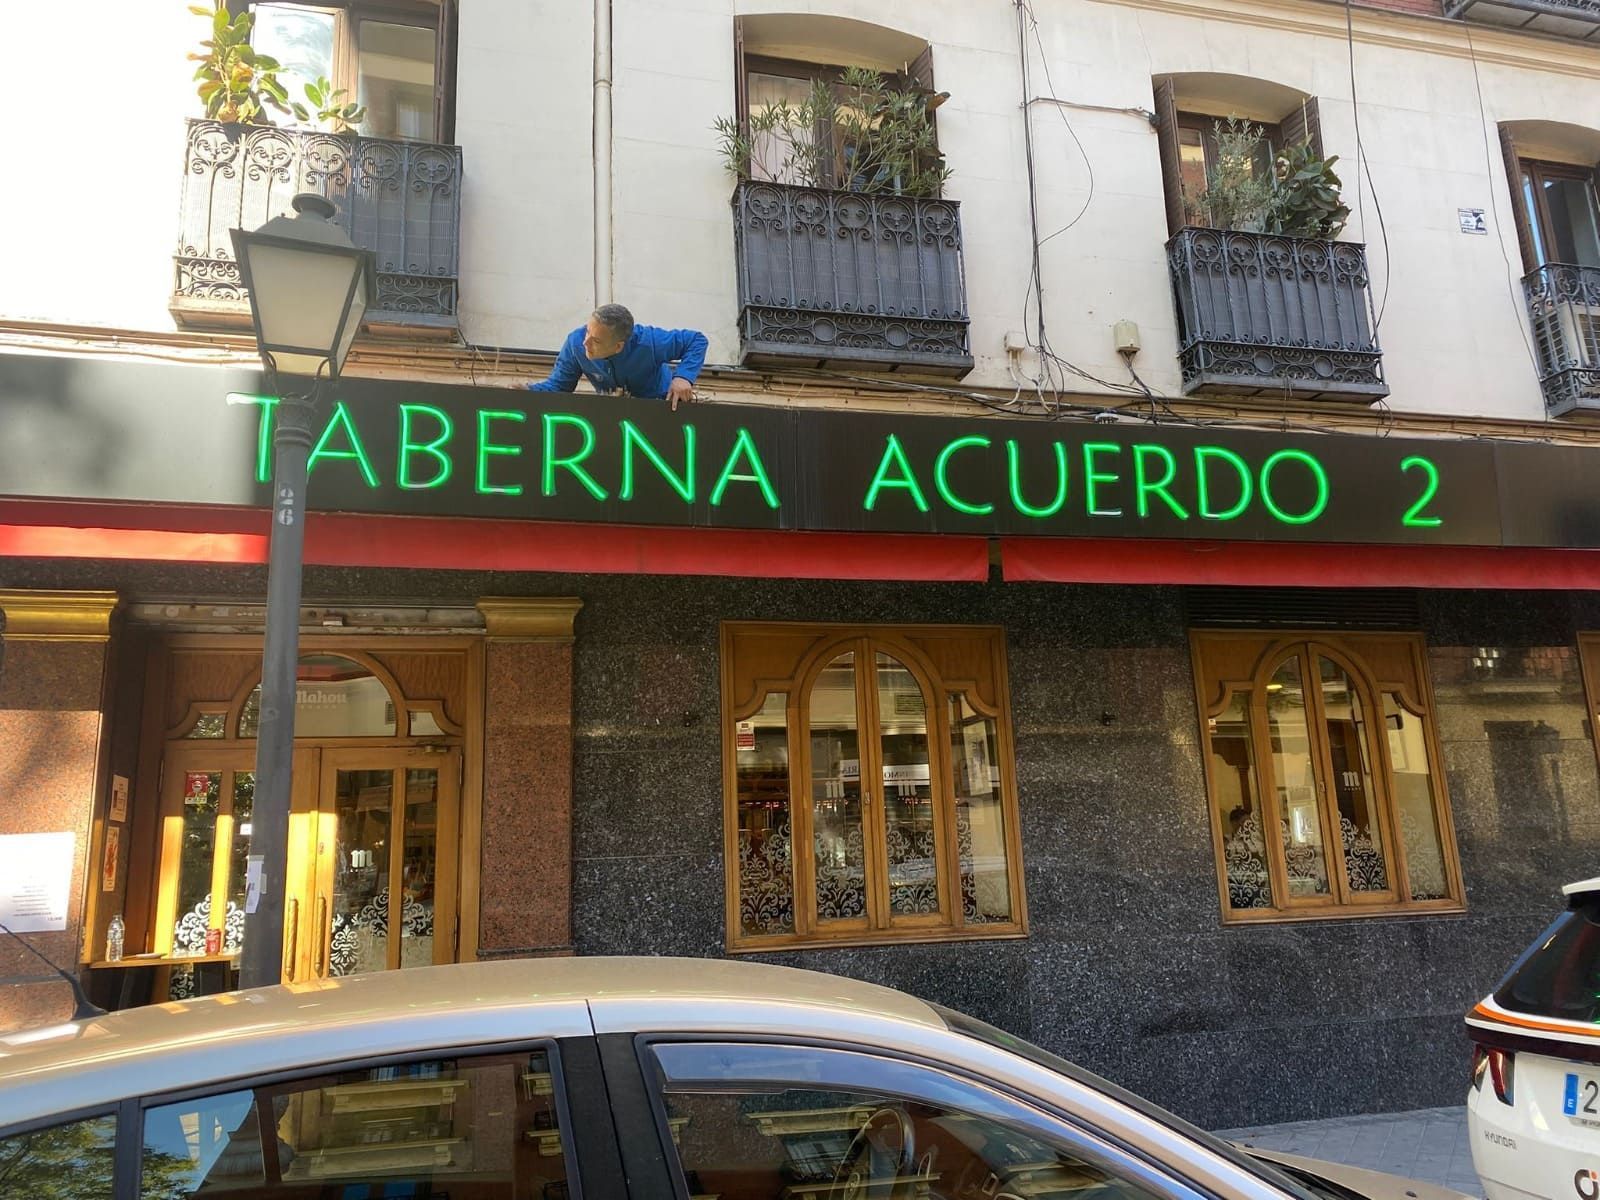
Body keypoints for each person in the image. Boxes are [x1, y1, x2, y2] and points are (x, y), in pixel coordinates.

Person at [528, 304, 708, 411]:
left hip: (660, 408)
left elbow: (696, 340)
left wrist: (683, 377)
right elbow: (559, 386)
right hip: (615, 413)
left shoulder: (650, 342)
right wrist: (527, 391)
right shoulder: (575, 342)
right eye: (588, 331)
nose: (586, 343)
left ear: (618, 346)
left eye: (596, 340)